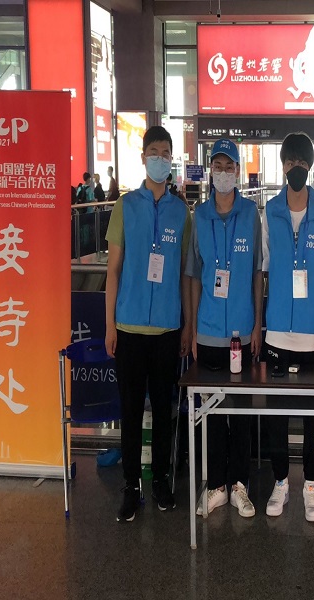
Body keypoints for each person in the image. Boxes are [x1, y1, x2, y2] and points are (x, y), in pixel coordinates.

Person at [104, 125, 191, 522]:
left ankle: (160, 480)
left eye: (166, 153)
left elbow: (185, 274)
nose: (160, 159)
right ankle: (130, 486)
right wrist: (110, 325)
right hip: (129, 328)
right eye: (154, 152)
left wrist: (186, 325)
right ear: (143, 157)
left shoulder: (181, 212)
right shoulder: (126, 206)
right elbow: (113, 270)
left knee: (163, 409)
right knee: (130, 409)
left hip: (167, 330)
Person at [186, 138, 263, 518]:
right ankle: (216, 485)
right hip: (208, 330)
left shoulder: (251, 214)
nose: (223, 173)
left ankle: (239, 485)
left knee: (242, 412)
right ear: (210, 171)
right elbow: (194, 275)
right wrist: (192, 329)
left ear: (237, 171)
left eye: (229, 166)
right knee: (213, 414)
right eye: (217, 166)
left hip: (242, 331)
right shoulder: (199, 216)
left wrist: (258, 324)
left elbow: (257, 273)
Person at [261, 132, 314, 522]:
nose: (295, 168)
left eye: (301, 163)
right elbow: (266, 267)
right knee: (276, 415)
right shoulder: (270, 212)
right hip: (276, 331)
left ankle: (310, 483)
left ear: (309, 167)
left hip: (312, 333)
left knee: (312, 415)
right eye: (290, 162)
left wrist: (305, 305)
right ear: (283, 166)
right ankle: (280, 481)